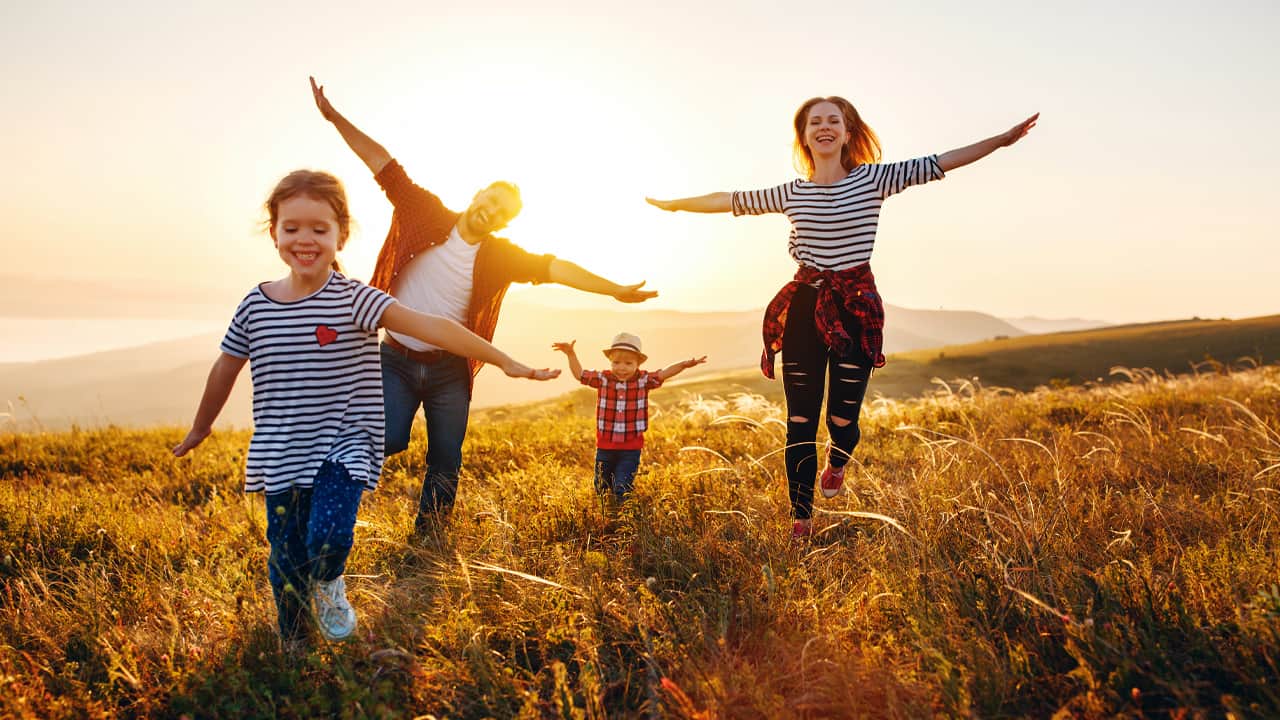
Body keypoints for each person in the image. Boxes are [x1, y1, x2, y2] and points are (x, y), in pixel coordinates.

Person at [172, 170, 557, 650]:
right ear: (273, 234)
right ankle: (294, 640)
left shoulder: (357, 299)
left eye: (319, 229)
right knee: (286, 556)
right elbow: (226, 366)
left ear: (341, 235)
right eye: (292, 228)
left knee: (327, 537)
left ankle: (330, 582)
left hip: (343, 448)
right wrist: (200, 427)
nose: (305, 239)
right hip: (281, 454)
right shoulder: (256, 305)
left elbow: (434, 327)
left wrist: (503, 359)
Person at [647, 97, 1037, 539]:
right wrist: (677, 205)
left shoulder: (875, 179)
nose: (825, 127)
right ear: (805, 135)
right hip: (804, 309)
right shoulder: (791, 192)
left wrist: (1001, 141)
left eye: (834, 120)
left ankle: (837, 461)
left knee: (842, 420)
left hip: (855, 309)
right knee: (799, 419)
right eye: (816, 122)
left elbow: (941, 161)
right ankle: (801, 519)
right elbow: (730, 199)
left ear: (849, 133)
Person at [310, 77, 659, 533]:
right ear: (477, 196)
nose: (490, 213)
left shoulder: (499, 256)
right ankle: (321, 488)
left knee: (446, 456)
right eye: (489, 202)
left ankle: (429, 538)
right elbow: (383, 164)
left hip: (449, 367)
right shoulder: (424, 212)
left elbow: (556, 268)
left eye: (501, 213)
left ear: (504, 222)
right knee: (388, 436)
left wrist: (613, 289)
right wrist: (335, 117)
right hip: (394, 358)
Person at [553, 333, 706, 500]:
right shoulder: (603, 379)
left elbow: (664, 373)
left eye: (628, 363)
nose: (621, 368)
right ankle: (606, 517)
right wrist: (571, 354)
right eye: (616, 362)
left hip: (631, 448)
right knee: (601, 487)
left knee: (622, 487)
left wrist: (683, 365)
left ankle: (623, 518)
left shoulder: (643, 380)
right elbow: (580, 375)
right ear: (610, 361)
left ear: (638, 364)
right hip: (605, 446)